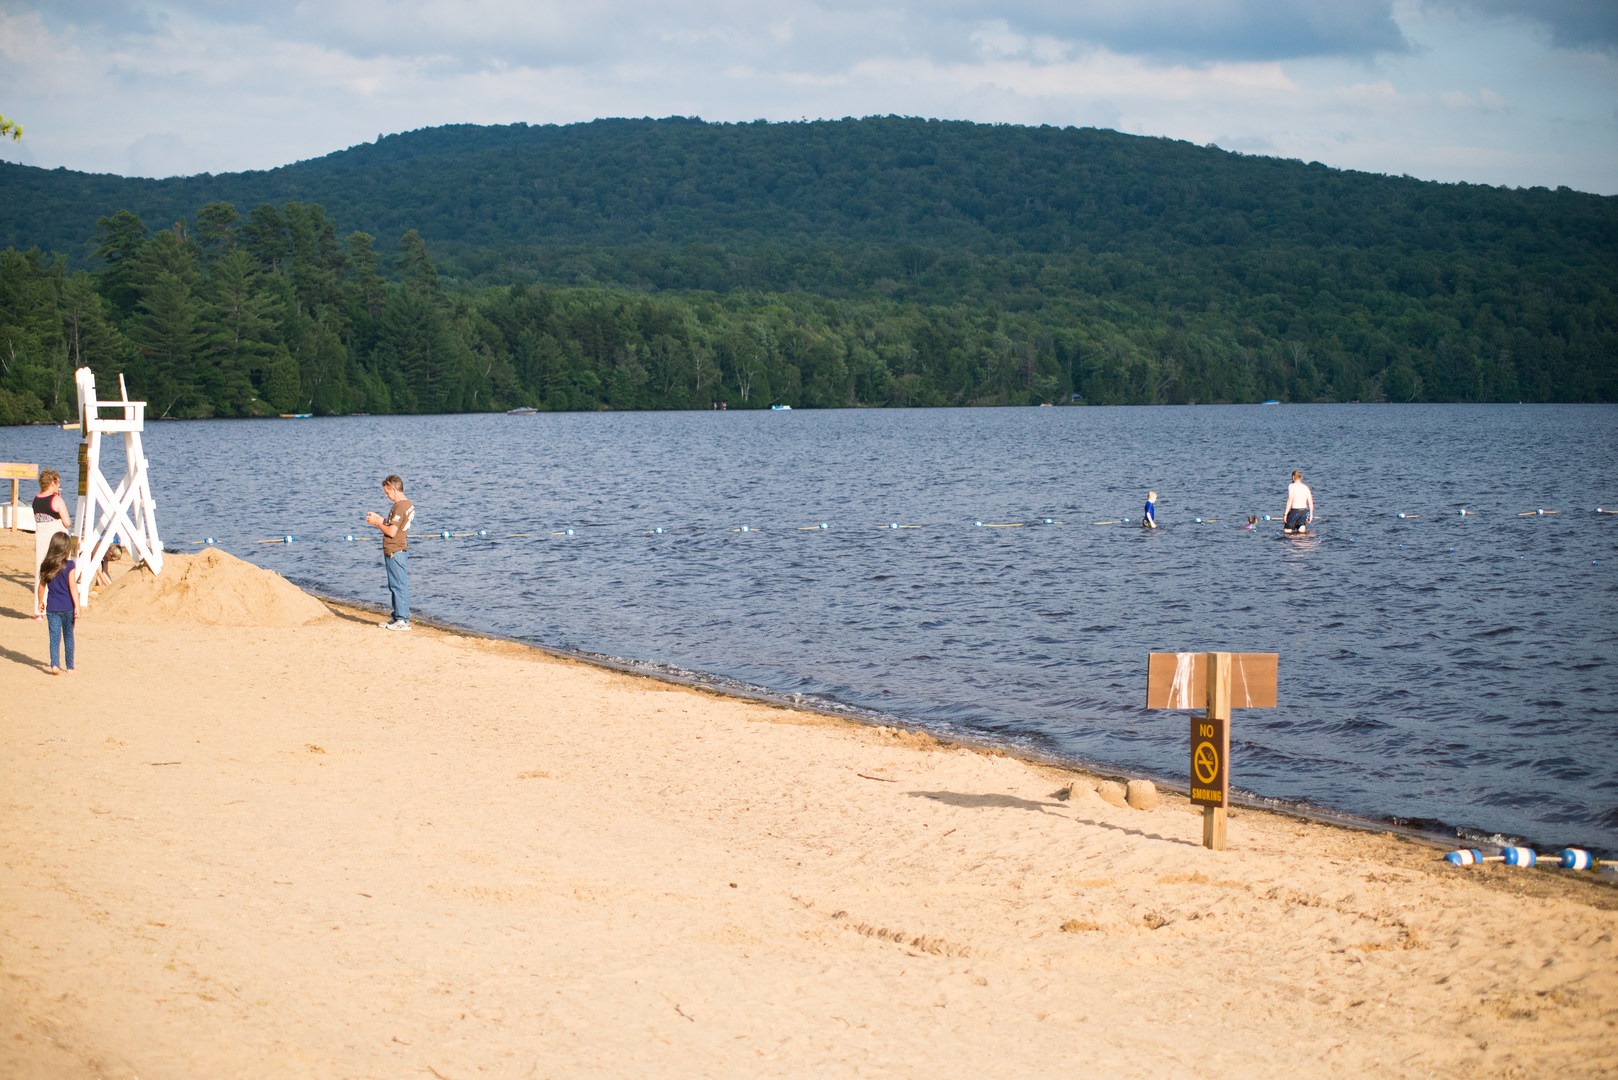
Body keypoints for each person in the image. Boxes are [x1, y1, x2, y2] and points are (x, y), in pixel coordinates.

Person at [365, 474, 414, 630]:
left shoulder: (400, 506)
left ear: (393, 487)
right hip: (397, 550)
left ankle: (403, 620)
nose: (386, 496)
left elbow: (392, 532)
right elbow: (395, 525)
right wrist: (381, 519)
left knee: (399, 586)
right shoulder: (407, 504)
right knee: (395, 585)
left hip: (396, 550)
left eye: (387, 492)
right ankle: (397, 617)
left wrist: (377, 523)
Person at [36, 531, 81, 674]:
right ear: (66, 549)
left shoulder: (46, 565)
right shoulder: (70, 565)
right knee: (68, 636)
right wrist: (77, 606)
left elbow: (41, 586)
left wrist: (40, 601)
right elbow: (73, 587)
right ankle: (70, 667)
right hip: (68, 607)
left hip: (53, 607)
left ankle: (55, 665)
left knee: (54, 637)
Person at [32, 468, 72, 619]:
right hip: (56, 541)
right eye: (58, 483)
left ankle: (39, 610)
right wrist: (59, 500)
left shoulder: (36, 500)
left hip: (41, 539)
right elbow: (67, 522)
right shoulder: (56, 500)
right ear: (52, 483)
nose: (59, 486)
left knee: (41, 573)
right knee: (61, 571)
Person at [1284, 470, 1315, 534]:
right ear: (1301, 477)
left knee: (1287, 532)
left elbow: (1290, 500)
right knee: (1302, 533)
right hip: (1303, 512)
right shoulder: (1306, 488)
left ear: (1293, 477)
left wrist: (1285, 514)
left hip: (1294, 512)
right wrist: (1311, 515)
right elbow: (1311, 503)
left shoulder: (1291, 486)